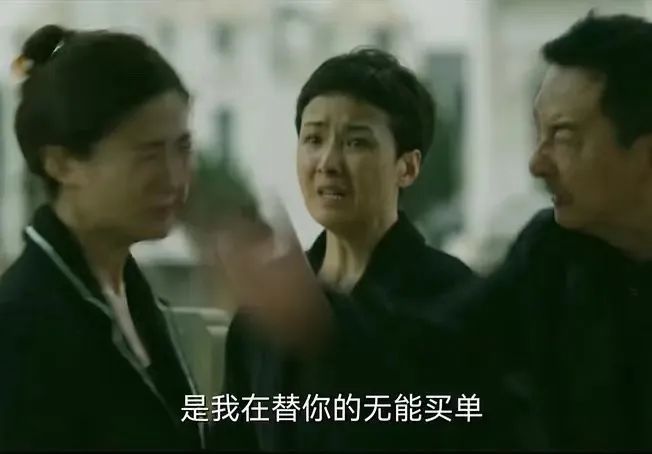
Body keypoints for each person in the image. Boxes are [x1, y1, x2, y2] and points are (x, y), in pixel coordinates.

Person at [210, 12, 652, 450]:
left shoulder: (446, 284)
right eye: (313, 139)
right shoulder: (550, 255)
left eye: (565, 136)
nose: (537, 163)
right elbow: (435, 354)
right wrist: (309, 311)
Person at [210, 48, 475, 451]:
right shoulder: (264, 313)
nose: (327, 162)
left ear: (407, 167)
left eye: (356, 142)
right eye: (313, 139)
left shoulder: (453, 300)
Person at [0, 25, 202, 449]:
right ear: (61, 163)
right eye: (148, 155)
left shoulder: (137, 302)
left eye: (182, 148)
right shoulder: (18, 329)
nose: (174, 178)